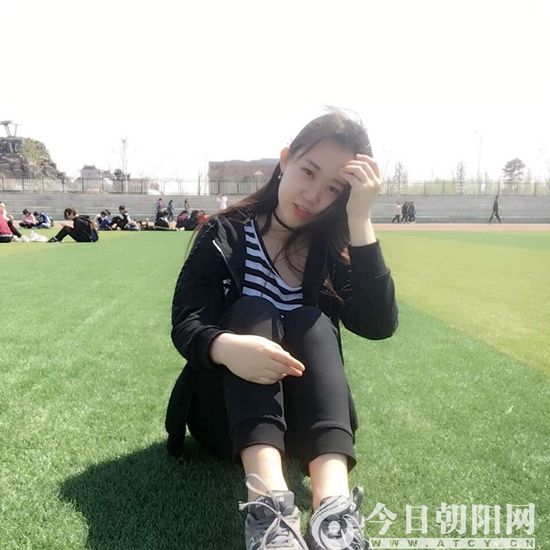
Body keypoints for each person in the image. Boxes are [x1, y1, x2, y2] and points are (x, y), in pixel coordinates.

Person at [165, 110, 398, 549]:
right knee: (253, 310)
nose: (313, 195)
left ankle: (334, 510)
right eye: (308, 171)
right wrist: (227, 348)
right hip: (227, 416)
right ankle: (268, 508)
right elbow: (188, 321)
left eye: (334, 188)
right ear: (286, 159)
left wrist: (360, 220)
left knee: (311, 322)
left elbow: (379, 324)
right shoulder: (225, 233)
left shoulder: (328, 251)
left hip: (303, 426)